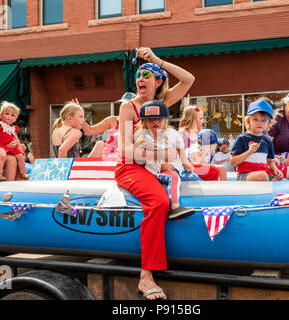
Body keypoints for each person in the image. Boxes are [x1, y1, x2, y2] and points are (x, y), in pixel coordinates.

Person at [115, 47, 195, 300]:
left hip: (157, 164)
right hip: (131, 167)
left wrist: (157, 60)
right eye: (138, 75)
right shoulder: (129, 107)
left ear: (158, 81)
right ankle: (146, 275)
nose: (140, 79)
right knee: (159, 201)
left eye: (146, 75)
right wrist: (159, 157)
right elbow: (125, 150)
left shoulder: (161, 103)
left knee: (211, 171)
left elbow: (189, 79)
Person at [134, 100, 198, 219]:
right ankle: (175, 206)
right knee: (173, 177)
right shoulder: (143, 137)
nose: (155, 122)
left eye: (159, 119)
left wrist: (185, 163)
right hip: (157, 172)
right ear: (144, 122)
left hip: (175, 168)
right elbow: (139, 155)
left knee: (193, 176)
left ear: (165, 120)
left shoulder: (172, 133)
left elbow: (180, 148)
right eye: (151, 119)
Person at [230, 99, 284, 181]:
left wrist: (275, 169)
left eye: (263, 120)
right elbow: (233, 162)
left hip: (264, 175)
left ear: (268, 123)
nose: (259, 123)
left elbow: (269, 161)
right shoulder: (242, 139)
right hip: (245, 175)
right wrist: (249, 152)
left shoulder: (267, 140)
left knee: (283, 181)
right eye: (255, 119)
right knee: (262, 175)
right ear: (248, 122)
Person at [178, 106, 225, 180]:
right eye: (201, 118)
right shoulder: (181, 134)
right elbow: (180, 153)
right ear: (191, 119)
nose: (203, 121)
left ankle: (222, 189)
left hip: (201, 162)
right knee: (217, 169)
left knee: (222, 168)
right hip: (188, 164)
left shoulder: (201, 133)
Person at [0, 102, 29, 181]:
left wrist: (19, 148)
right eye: (7, 114)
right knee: (2, 155)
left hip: (10, 147)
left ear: (15, 118)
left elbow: (16, 139)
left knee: (21, 156)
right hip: (0, 146)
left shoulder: (12, 128)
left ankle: (23, 173)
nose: (9, 116)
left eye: (12, 115)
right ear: (1, 114)